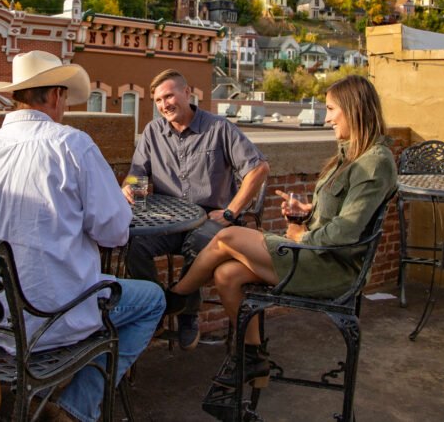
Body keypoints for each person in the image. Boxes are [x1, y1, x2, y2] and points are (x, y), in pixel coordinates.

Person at [0, 51, 165, 422]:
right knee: (152, 299)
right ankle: (76, 409)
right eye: (65, 97)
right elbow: (116, 232)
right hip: (50, 317)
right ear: (55, 95)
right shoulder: (72, 145)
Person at [166, 74, 397, 388]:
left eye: (331, 110)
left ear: (353, 108)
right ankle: (252, 359)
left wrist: (303, 236)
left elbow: (346, 232)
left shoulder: (374, 163)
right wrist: (309, 211)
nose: (327, 119)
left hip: (332, 267)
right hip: (315, 255)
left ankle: (176, 297)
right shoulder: (351, 157)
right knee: (226, 275)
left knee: (227, 237)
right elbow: (345, 214)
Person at [124, 68, 270, 350]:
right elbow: (137, 175)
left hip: (211, 219)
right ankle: (157, 309)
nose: (164, 105)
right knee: (133, 244)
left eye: (169, 96)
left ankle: (187, 313)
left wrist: (230, 212)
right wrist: (128, 188)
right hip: (169, 221)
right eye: (158, 100)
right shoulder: (153, 132)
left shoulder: (218, 128)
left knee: (201, 242)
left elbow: (259, 168)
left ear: (187, 93)